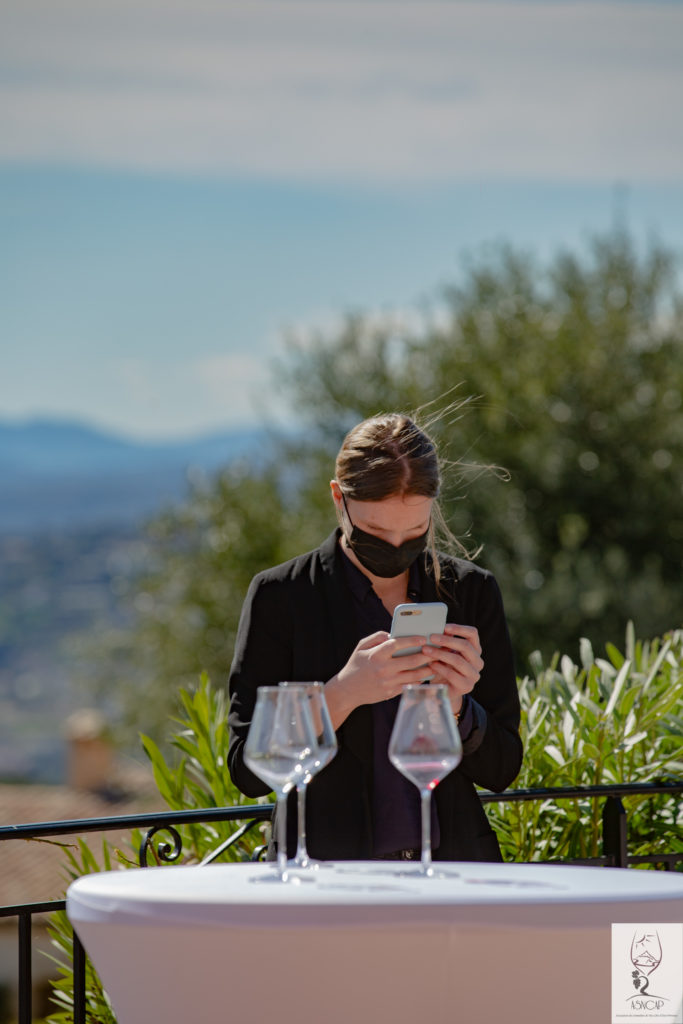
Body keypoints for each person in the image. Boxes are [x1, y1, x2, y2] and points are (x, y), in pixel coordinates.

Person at [228, 413, 522, 862]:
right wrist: (343, 694)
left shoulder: (470, 592)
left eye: (414, 533)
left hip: (452, 877)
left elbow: (504, 767)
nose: (396, 548)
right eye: (377, 533)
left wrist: (460, 705)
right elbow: (246, 771)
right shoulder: (282, 597)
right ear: (338, 499)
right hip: (327, 881)